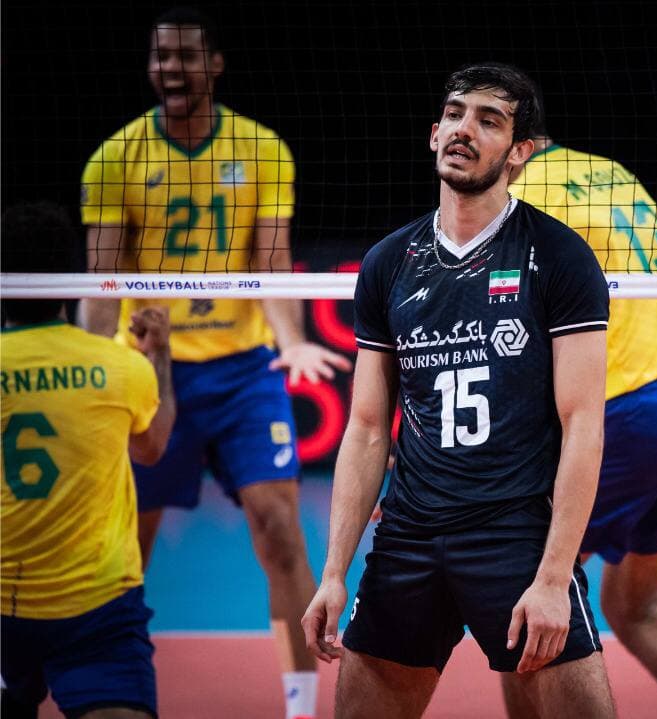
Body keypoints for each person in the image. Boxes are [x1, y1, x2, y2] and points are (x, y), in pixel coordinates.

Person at [300, 63, 616, 718]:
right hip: (409, 535)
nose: (463, 129)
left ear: (520, 151)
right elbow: (366, 428)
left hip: (514, 535)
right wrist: (332, 571)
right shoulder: (389, 262)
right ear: (433, 132)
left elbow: (584, 424)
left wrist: (554, 577)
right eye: (454, 114)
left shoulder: (558, 256)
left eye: (488, 120)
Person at [78, 9, 350, 718]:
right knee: (126, 550)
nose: (171, 68)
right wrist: (90, 364)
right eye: (160, 56)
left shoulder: (262, 149)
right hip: (150, 371)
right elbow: (101, 282)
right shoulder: (114, 157)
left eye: (186, 56)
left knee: (280, 531)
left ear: (215, 65)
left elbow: (270, 262)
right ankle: (114, 689)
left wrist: (290, 339)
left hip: (242, 371)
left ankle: (300, 707)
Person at [500, 91, 657, 719]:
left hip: (631, 406)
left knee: (521, 597)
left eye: (485, 123)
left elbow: (517, 334)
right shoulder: (610, 170)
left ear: (516, 141)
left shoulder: (522, 198)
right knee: (635, 607)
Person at [1, 201, 175, 719]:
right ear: (72, 278)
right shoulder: (120, 366)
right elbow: (151, 449)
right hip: (97, 610)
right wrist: (159, 355)